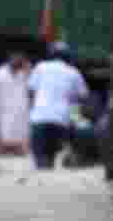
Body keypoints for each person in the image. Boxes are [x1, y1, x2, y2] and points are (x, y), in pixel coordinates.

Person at [27, 42, 90, 170]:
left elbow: (30, 91)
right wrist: (75, 112)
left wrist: (34, 107)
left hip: (39, 118)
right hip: (61, 120)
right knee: (52, 153)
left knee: (40, 158)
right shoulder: (73, 72)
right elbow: (83, 96)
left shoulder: (40, 67)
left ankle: (43, 167)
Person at [0, 53, 31, 171]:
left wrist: (29, 72)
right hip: (3, 112)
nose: (18, 63)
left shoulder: (25, 74)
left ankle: (17, 150)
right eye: (15, 61)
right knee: (3, 141)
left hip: (22, 113)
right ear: (9, 61)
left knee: (21, 142)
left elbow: (32, 90)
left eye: (20, 61)